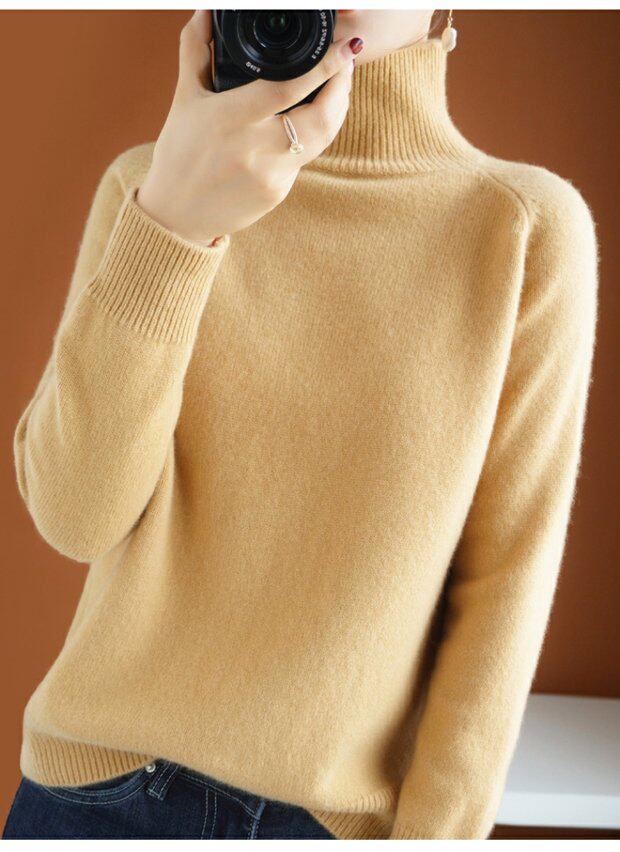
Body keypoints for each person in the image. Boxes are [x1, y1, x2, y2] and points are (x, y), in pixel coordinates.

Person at [3, 8, 598, 841]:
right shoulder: (149, 188)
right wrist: (174, 223)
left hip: (320, 826)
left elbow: (502, 590)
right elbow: (75, 515)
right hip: (91, 797)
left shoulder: (520, 230)